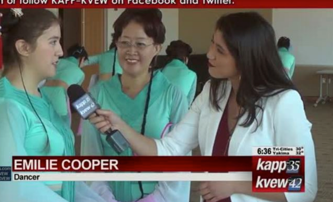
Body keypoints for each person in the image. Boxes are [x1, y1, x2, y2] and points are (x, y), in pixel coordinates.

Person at [88, 12, 317, 202]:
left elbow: (301, 185)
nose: (209, 54)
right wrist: (121, 127)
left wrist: (235, 185)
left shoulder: (282, 102)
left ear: (246, 57)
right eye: (212, 44)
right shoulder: (212, 92)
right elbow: (169, 149)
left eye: (220, 50)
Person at [0, 8, 106, 202]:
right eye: (53, 42)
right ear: (24, 47)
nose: (61, 51)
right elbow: (12, 186)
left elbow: (64, 178)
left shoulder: (43, 98)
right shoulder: (4, 108)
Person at [81, 9, 191, 202]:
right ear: (116, 44)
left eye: (140, 44)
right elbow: (90, 159)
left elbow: (182, 162)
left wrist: (155, 199)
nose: (131, 51)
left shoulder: (172, 96)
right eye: (124, 43)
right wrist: (105, 198)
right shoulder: (98, 94)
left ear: (156, 47)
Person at [42, 44, 88, 126]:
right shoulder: (80, 73)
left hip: (42, 93)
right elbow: (73, 94)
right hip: (58, 98)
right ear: (82, 59)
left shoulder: (57, 61)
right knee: (62, 126)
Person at [161, 40, 197, 107]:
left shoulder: (159, 72)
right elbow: (188, 104)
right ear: (185, 59)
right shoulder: (192, 75)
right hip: (179, 114)